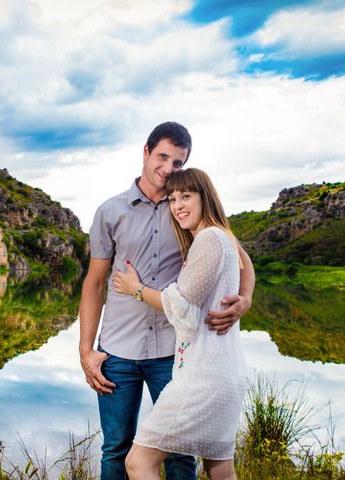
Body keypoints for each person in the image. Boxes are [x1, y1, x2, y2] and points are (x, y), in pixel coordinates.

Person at [79, 122, 255, 480]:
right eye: (163, 156)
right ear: (146, 153)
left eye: (178, 161)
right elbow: (95, 283)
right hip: (117, 351)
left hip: (174, 354)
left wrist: (245, 299)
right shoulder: (111, 211)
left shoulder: (189, 209)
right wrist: (86, 350)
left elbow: (241, 258)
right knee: (115, 449)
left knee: (180, 455)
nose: (168, 167)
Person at [112, 168, 246, 480]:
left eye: (186, 196)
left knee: (138, 462)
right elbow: (242, 265)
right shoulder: (222, 237)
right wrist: (246, 297)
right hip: (226, 373)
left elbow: (183, 307)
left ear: (205, 197)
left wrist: (137, 289)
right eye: (173, 198)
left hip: (204, 375)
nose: (178, 205)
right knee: (221, 470)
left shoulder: (210, 238)